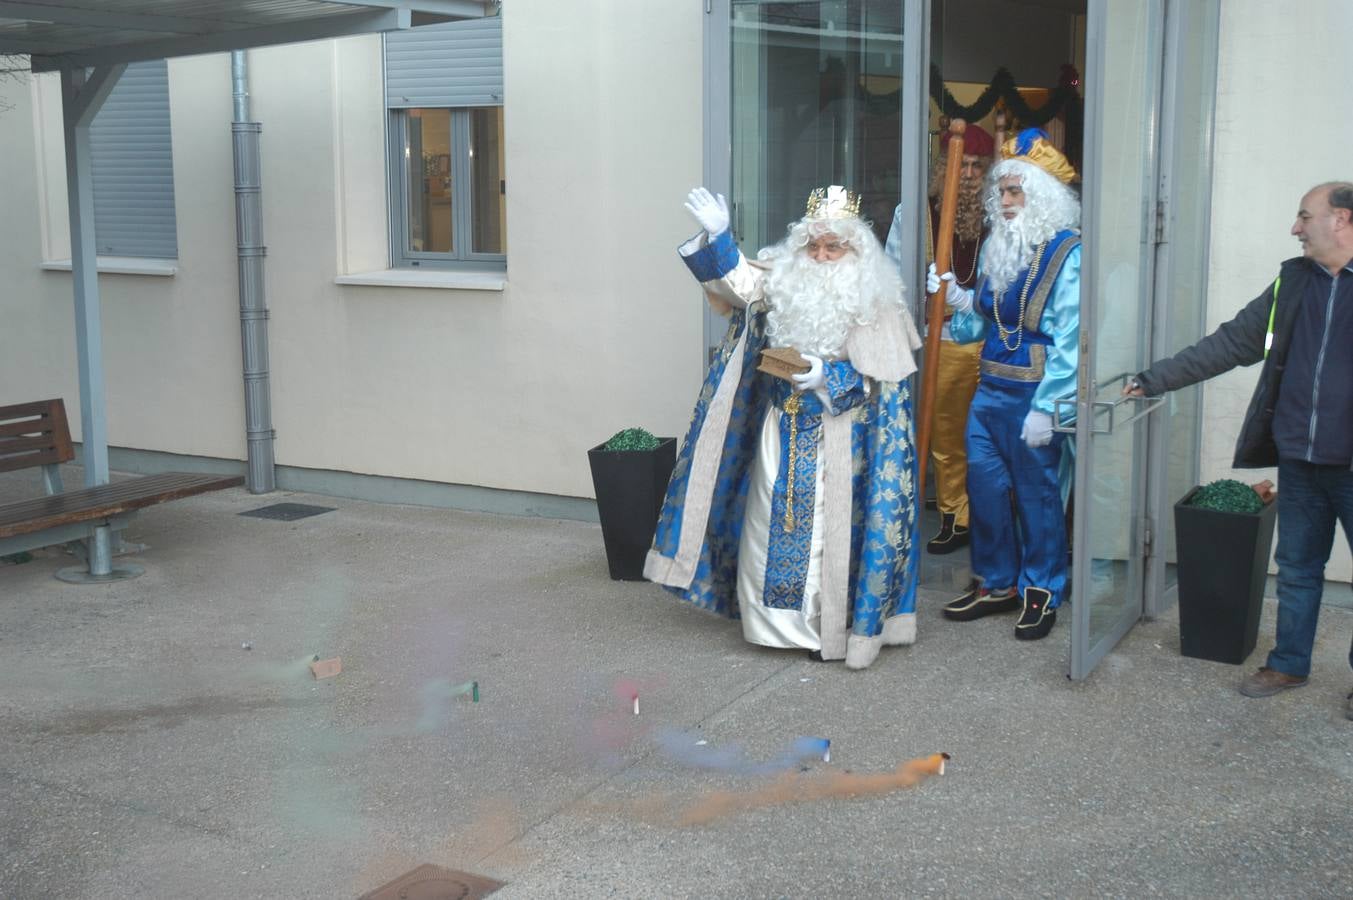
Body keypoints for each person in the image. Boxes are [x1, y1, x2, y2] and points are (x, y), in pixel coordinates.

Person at [645, 185, 923, 669]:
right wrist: (720, 237)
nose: (820, 256)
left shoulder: (878, 302)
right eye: (812, 247)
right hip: (781, 429)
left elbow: (885, 385)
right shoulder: (786, 282)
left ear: (855, 250)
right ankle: (770, 625)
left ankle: (824, 629)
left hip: (842, 440)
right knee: (767, 521)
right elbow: (740, 287)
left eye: (832, 247)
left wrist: (829, 376)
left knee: (825, 538)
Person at [1125, 181, 1353, 717]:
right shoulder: (1293, 285)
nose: (1295, 228)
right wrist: (1157, 378)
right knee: (1296, 567)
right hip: (1299, 458)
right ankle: (1289, 662)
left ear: (1341, 220)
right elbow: (1232, 343)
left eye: (1304, 216)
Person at [934, 128, 1081, 640]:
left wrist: (1049, 407)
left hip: (1033, 398)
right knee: (987, 491)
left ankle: (1041, 588)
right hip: (988, 392)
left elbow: (1072, 338)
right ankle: (996, 581)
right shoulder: (1001, 246)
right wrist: (957, 299)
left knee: (1037, 496)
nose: (1006, 201)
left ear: (1041, 196)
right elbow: (983, 322)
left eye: (1016, 192)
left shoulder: (1068, 253)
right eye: (1003, 192)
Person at [885, 123, 995, 554]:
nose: (967, 175)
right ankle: (955, 513)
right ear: (942, 168)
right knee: (947, 434)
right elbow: (894, 275)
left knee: (987, 436)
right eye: (959, 165)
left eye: (975, 167)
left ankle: (986, 514)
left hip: (995, 343)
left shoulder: (1000, 215)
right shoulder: (914, 212)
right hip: (943, 339)